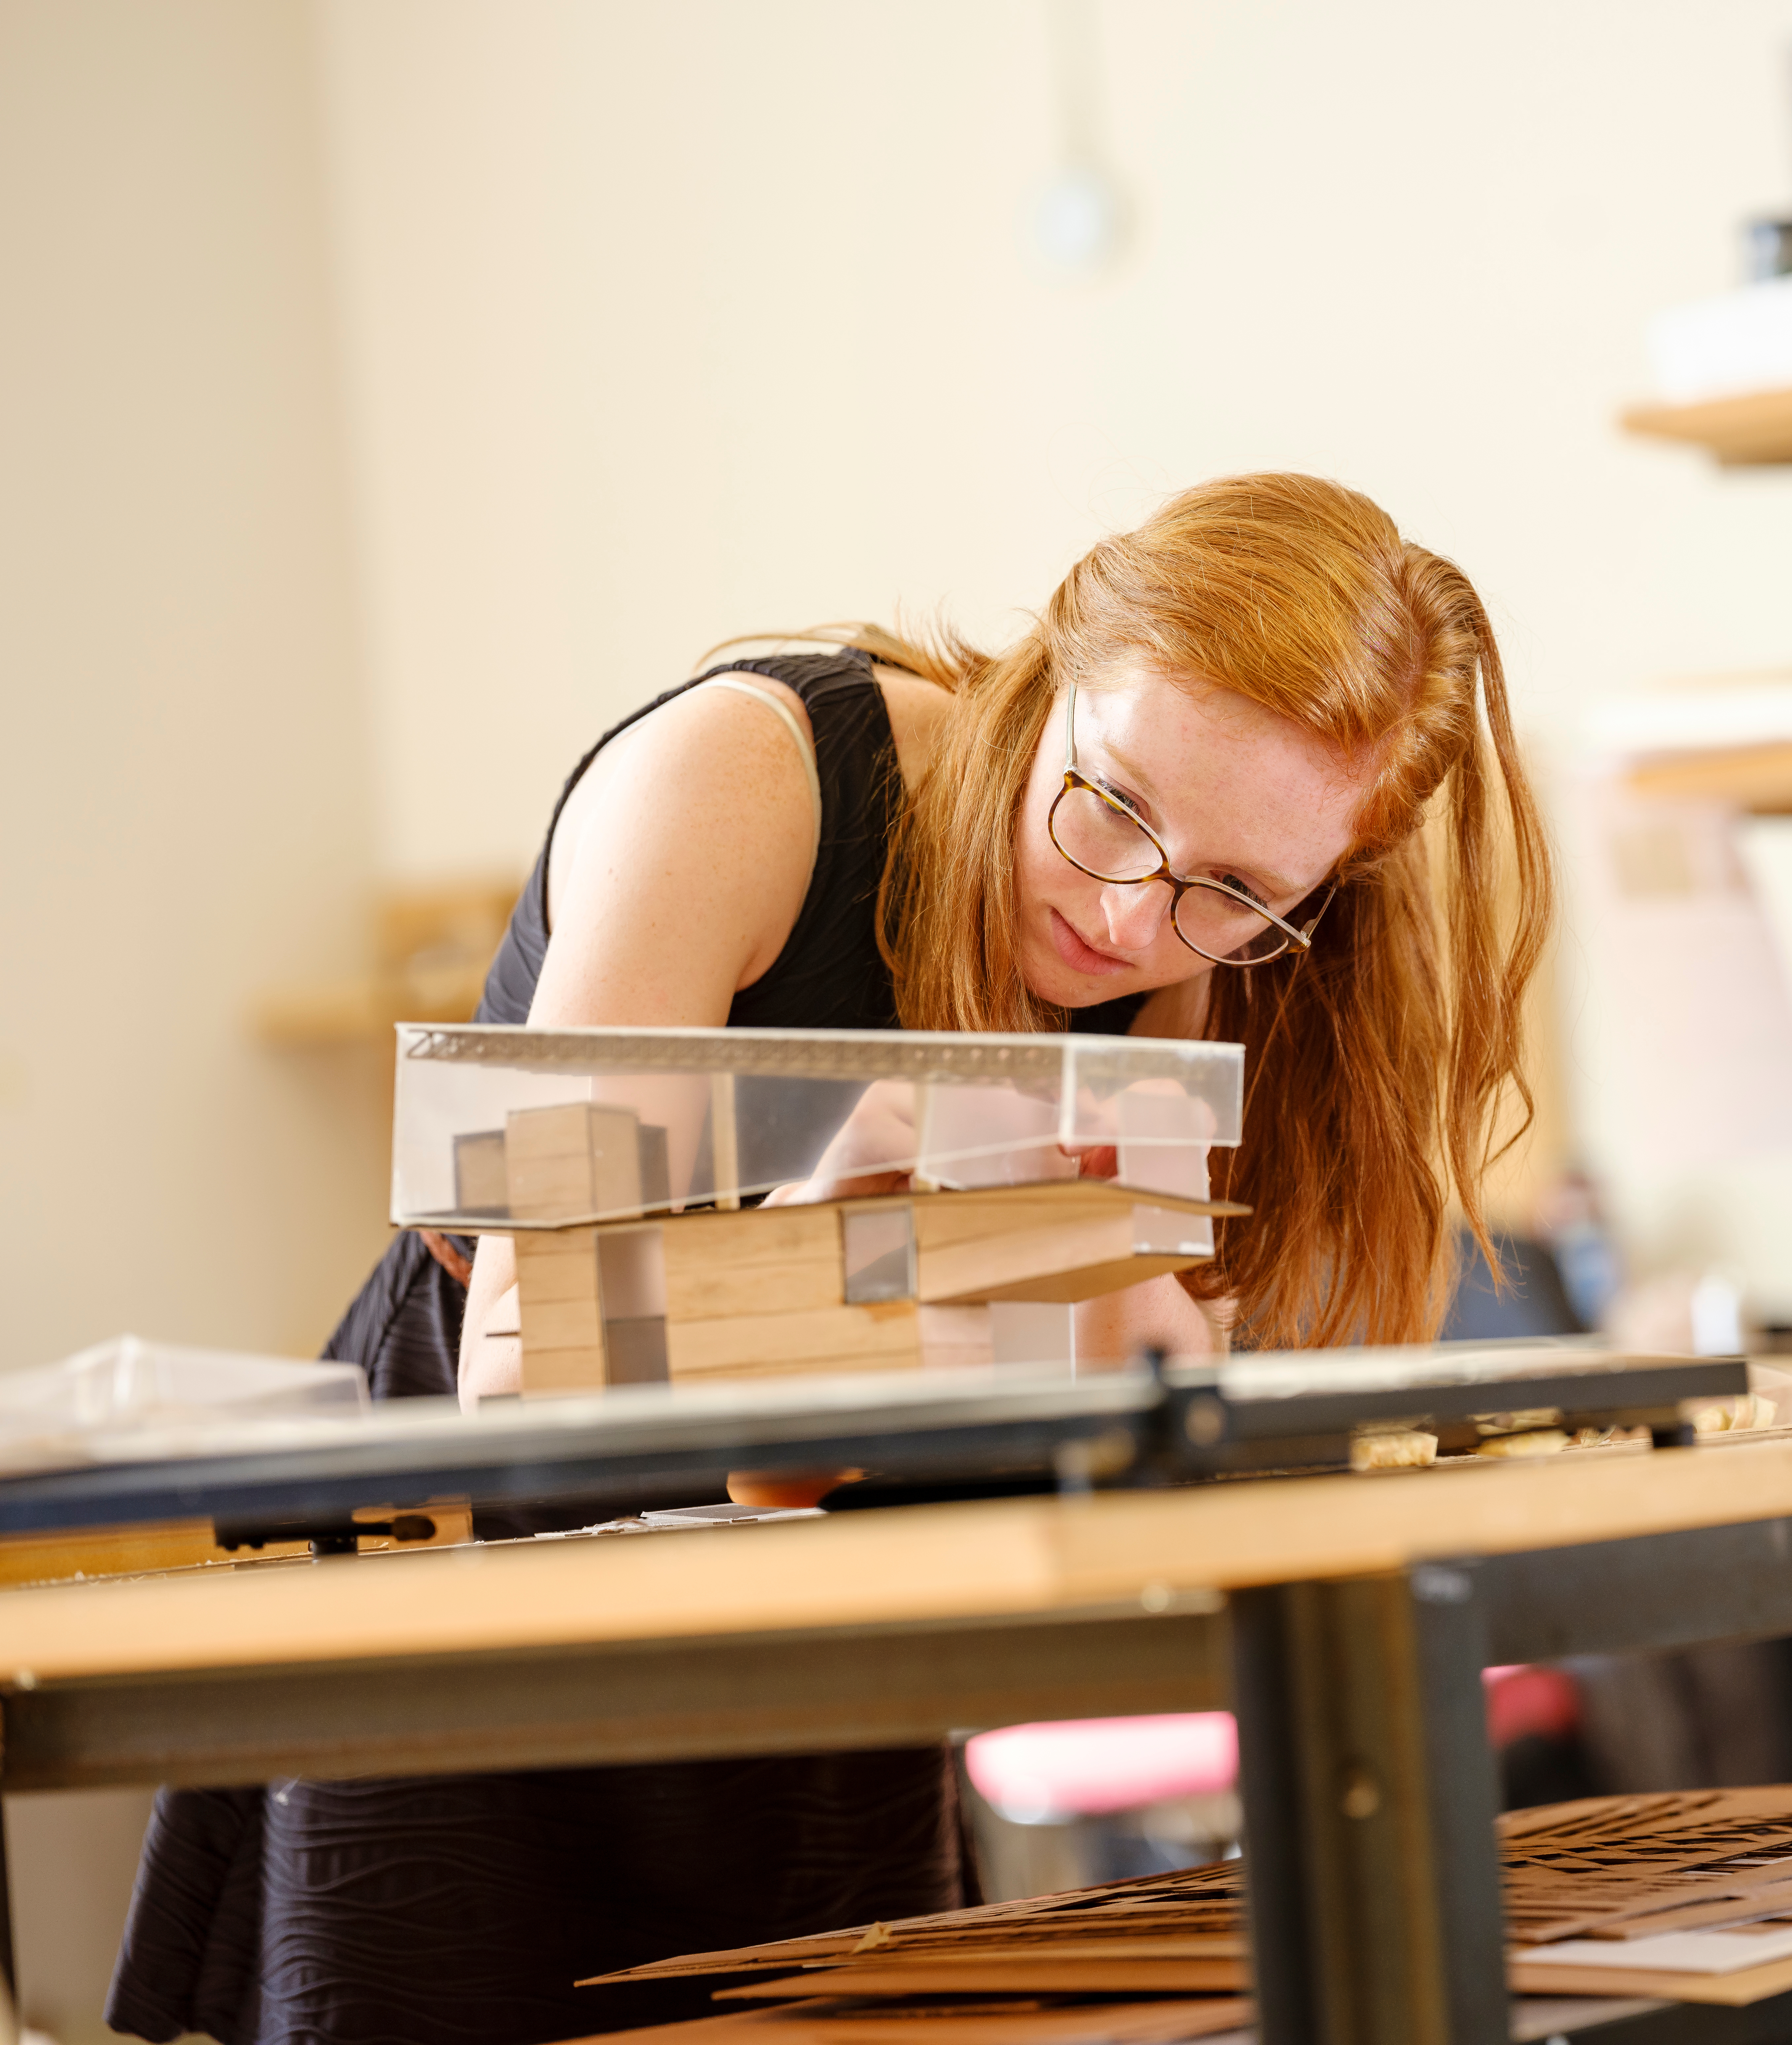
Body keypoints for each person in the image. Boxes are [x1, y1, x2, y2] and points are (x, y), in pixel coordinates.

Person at [108, 472, 1551, 2045]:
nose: (1131, 917)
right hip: (482, 1529)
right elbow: (515, 1358)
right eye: (1115, 800)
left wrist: (1130, 1342)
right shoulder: (744, 781)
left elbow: (1083, 1375)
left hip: (821, 1571)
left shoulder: (1176, 962)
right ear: (1053, 659)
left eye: (1236, 893)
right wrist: (833, 1250)